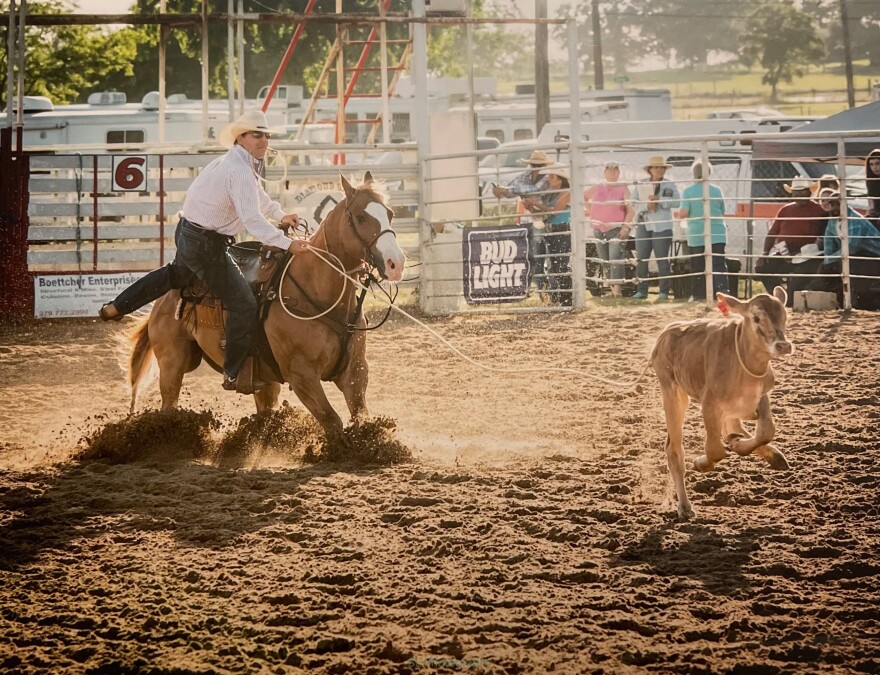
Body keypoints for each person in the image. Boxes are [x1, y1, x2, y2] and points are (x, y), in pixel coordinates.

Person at [98, 109, 308, 392]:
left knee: (175, 275)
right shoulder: (239, 170)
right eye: (257, 134)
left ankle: (117, 307)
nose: (264, 140)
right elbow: (252, 219)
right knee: (243, 302)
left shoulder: (233, 163)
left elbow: (257, 198)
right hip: (206, 245)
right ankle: (234, 371)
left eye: (266, 135)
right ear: (241, 137)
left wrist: (280, 214)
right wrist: (288, 243)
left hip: (189, 233)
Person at [754, 176, 827, 305]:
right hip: (784, 252)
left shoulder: (819, 211)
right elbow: (773, 232)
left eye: (802, 191)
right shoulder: (785, 209)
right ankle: (778, 297)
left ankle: (789, 300)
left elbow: (822, 236)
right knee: (762, 267)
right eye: (796, 192)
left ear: (809, 192)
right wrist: (765, 253)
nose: (798, 194)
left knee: (799, 276)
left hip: (809, 254)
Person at [492, 150, 554, 295]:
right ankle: (541, 289)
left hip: (542, 219)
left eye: (539, 165)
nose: (535, 167)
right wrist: (500, 190)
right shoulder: (525, 178)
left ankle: (544, 288)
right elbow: (509, 191)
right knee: (531, 256)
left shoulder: (547, 179)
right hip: (529, 221)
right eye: (534, 164)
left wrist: (510, 190)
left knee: (540, 255)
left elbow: (534, 190)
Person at [811, 188, 880, 310]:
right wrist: (828, 260)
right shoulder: (833, 220)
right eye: (831, 204)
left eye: (837, 204)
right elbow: (829, 240)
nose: (833, 207)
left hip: (873, 254)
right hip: (857, 254)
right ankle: (835, 298)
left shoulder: (854, 220)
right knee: (827, 266)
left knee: (845, 264)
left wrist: (830, 260)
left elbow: (852, 247)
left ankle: (851, 301)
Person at [676, 160, 728, 301]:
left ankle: (699, 295)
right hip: (717, 232)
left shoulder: (688, 191)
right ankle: (723, 293)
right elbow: (723, 210)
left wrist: (679, 214)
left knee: (697, 265)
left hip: (697, 233)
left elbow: (684, 212)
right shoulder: (717, 190)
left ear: (694, 173)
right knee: (718, 264)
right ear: (709, 173)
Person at [584, 160, 634, 297]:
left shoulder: (623, 188)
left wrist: (625, 227)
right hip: (599, 227)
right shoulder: (598, 187)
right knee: (605, 259)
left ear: (618, 172)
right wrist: (591, 211)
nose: (612, 172)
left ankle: (617, 290)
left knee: (614, 257)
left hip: (616, 228)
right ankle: (613, 290)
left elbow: (631, 210)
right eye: (609, 169)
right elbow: (583, 197)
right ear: (604, 172)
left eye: (615, 170)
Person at [632, 156, 680, 300]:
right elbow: (633, 203)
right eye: (656, 167)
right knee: (641, 258)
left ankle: (663, 292)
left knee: (662, 259)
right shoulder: (641, 184)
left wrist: (660, 201)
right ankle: (641, 290)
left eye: (661, 168)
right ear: (650, 170)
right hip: (644, 224)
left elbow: (677, 202)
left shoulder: (669, 185)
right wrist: (646, 206)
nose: (659, 170)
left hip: (662, 226)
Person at [530, 165, 572, 306]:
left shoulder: (566, 192)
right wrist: (531, 206)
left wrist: (535, 204)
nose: (549, 178)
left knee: (559, 264)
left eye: (553, 176)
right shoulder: (550, 193)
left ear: (560, 180)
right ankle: (558, 297)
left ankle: (565, 298)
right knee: (554, 265)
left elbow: (555, 210)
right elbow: (542, 212)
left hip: (561, 228)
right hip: (550, 229)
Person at [866, 149, 880, 223]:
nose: (874, 167)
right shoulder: (871, 182)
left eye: (877, 163)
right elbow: (871, 205)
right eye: (871, 164)